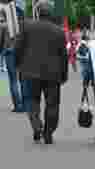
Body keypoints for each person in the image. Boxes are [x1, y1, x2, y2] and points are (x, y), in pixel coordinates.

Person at [14, 0, 66, 144]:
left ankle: (37, 126)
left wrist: (17, 64)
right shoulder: (59, 31)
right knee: (53, 104)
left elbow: (18, 48)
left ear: (38, 12)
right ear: (51, 14)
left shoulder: (26, 26)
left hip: (29, 72)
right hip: (52, 75)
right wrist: (64, 75)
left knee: (31, 101)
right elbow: (64, 56)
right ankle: (48, 132)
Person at [0, 1, 24, 112]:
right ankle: (26, 104)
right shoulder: (23, 25)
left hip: (9, 53)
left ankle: (18, 106)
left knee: (13, 80)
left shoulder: (4, 26)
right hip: (22, 53)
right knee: (23, 79)